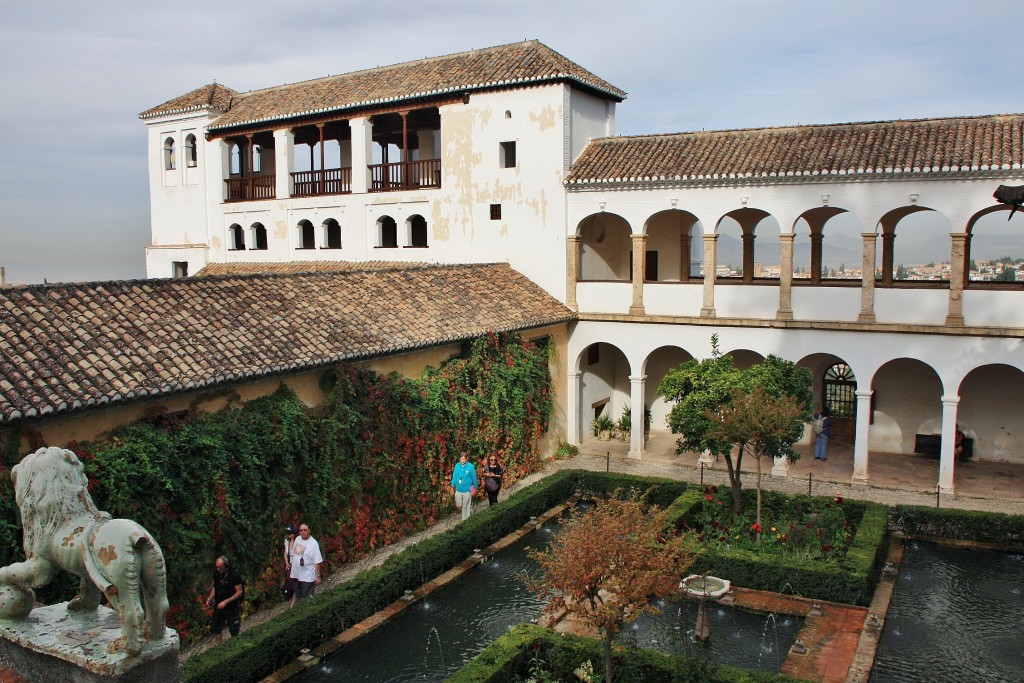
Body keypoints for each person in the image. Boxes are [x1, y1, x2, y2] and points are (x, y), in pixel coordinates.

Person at [206, 555, 243, 643]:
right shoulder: (216, 574)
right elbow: (216, 587)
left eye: (220, 567)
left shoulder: (234, 575)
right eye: (217, 567)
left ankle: (237, 646)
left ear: (226, 565)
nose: (218, 569)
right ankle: (219, 648)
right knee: (215, 628)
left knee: (234, 629)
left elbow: (239, 592)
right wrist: (209, 599)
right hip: (219, 604)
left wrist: (225, 602)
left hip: (231, 606)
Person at [288, 523, 323, 607]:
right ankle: (292, 608)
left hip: (307, 575)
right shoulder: (297, 539)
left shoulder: (313, 543)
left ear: (309, 531)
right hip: (297, 574)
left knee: (306, 598)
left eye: (305, 530)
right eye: (301, 530)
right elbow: (293, 553)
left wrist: (318, 576)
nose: (303, 532)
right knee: (297, 593)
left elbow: (317, 561)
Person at [450, 452, 477, 520]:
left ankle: (465, 521)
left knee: (465, 506)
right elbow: (455, 476)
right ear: (459, 459)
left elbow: (474, 478)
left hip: (467, 490)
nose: (462, 461)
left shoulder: (471, 467)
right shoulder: (457, 466)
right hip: (458, 489)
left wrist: (475, 488)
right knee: (458, 505)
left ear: (466, 459)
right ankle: (469, 510)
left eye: (464, 459)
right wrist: (452, 486)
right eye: (461, 459)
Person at [283, 524, 299, 601]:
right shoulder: (286, 541)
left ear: (293, 534)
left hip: (297, 564)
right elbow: (285, 553)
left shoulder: (298, 541)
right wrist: (286, 563)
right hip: (290, 564)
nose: (288, 535)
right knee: (289, 580)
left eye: (289, 533)